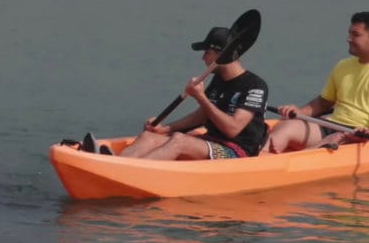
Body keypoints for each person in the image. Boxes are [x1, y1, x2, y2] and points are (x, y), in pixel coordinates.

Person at [112, 26, 270, 160]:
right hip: (211, 141)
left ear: (221, 54)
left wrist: (201, 97)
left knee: (179, 141)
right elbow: (202, 116)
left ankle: (131, 172)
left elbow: (233, 129)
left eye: (207, 52)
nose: (203, 58)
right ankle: (116, 163)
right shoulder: (219, 79)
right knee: (148, 137)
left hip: (237, 151)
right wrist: (166, 129)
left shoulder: (255, 86)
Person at [267, 11, 369, 154]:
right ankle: (259, 159)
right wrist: (299, 112)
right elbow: (323, 103)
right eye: (349, 34)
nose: (349, 39)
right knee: (286, 127)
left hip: (364, 134)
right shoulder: (343, 66)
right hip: (333, 124)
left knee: (331, 141)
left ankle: (302, 158)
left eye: (355, 35)